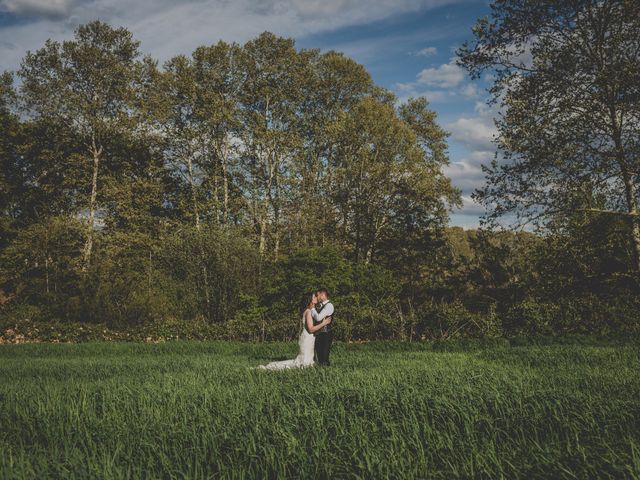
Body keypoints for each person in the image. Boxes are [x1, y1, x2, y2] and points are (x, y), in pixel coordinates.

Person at [256, 292, 332, 370]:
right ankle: (272, 367)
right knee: (302, 363)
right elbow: (311, 329)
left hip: (310, 338)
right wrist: (323, 323)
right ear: (310, 300)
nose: (316, 298)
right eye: (314, 297)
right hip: (307, 339)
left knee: (308, 362)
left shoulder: (309, 310)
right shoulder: (308, 312)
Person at [312, 287, 334, 366]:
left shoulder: (329, 305)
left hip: (326, 334)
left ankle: (327, 373)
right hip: (319, 333)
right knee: (320, 357)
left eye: (317, 295)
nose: (317, 297)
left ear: (322, 294)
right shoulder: (319, 305)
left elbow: (318, 318)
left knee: (324, 357)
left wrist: (312, 308)